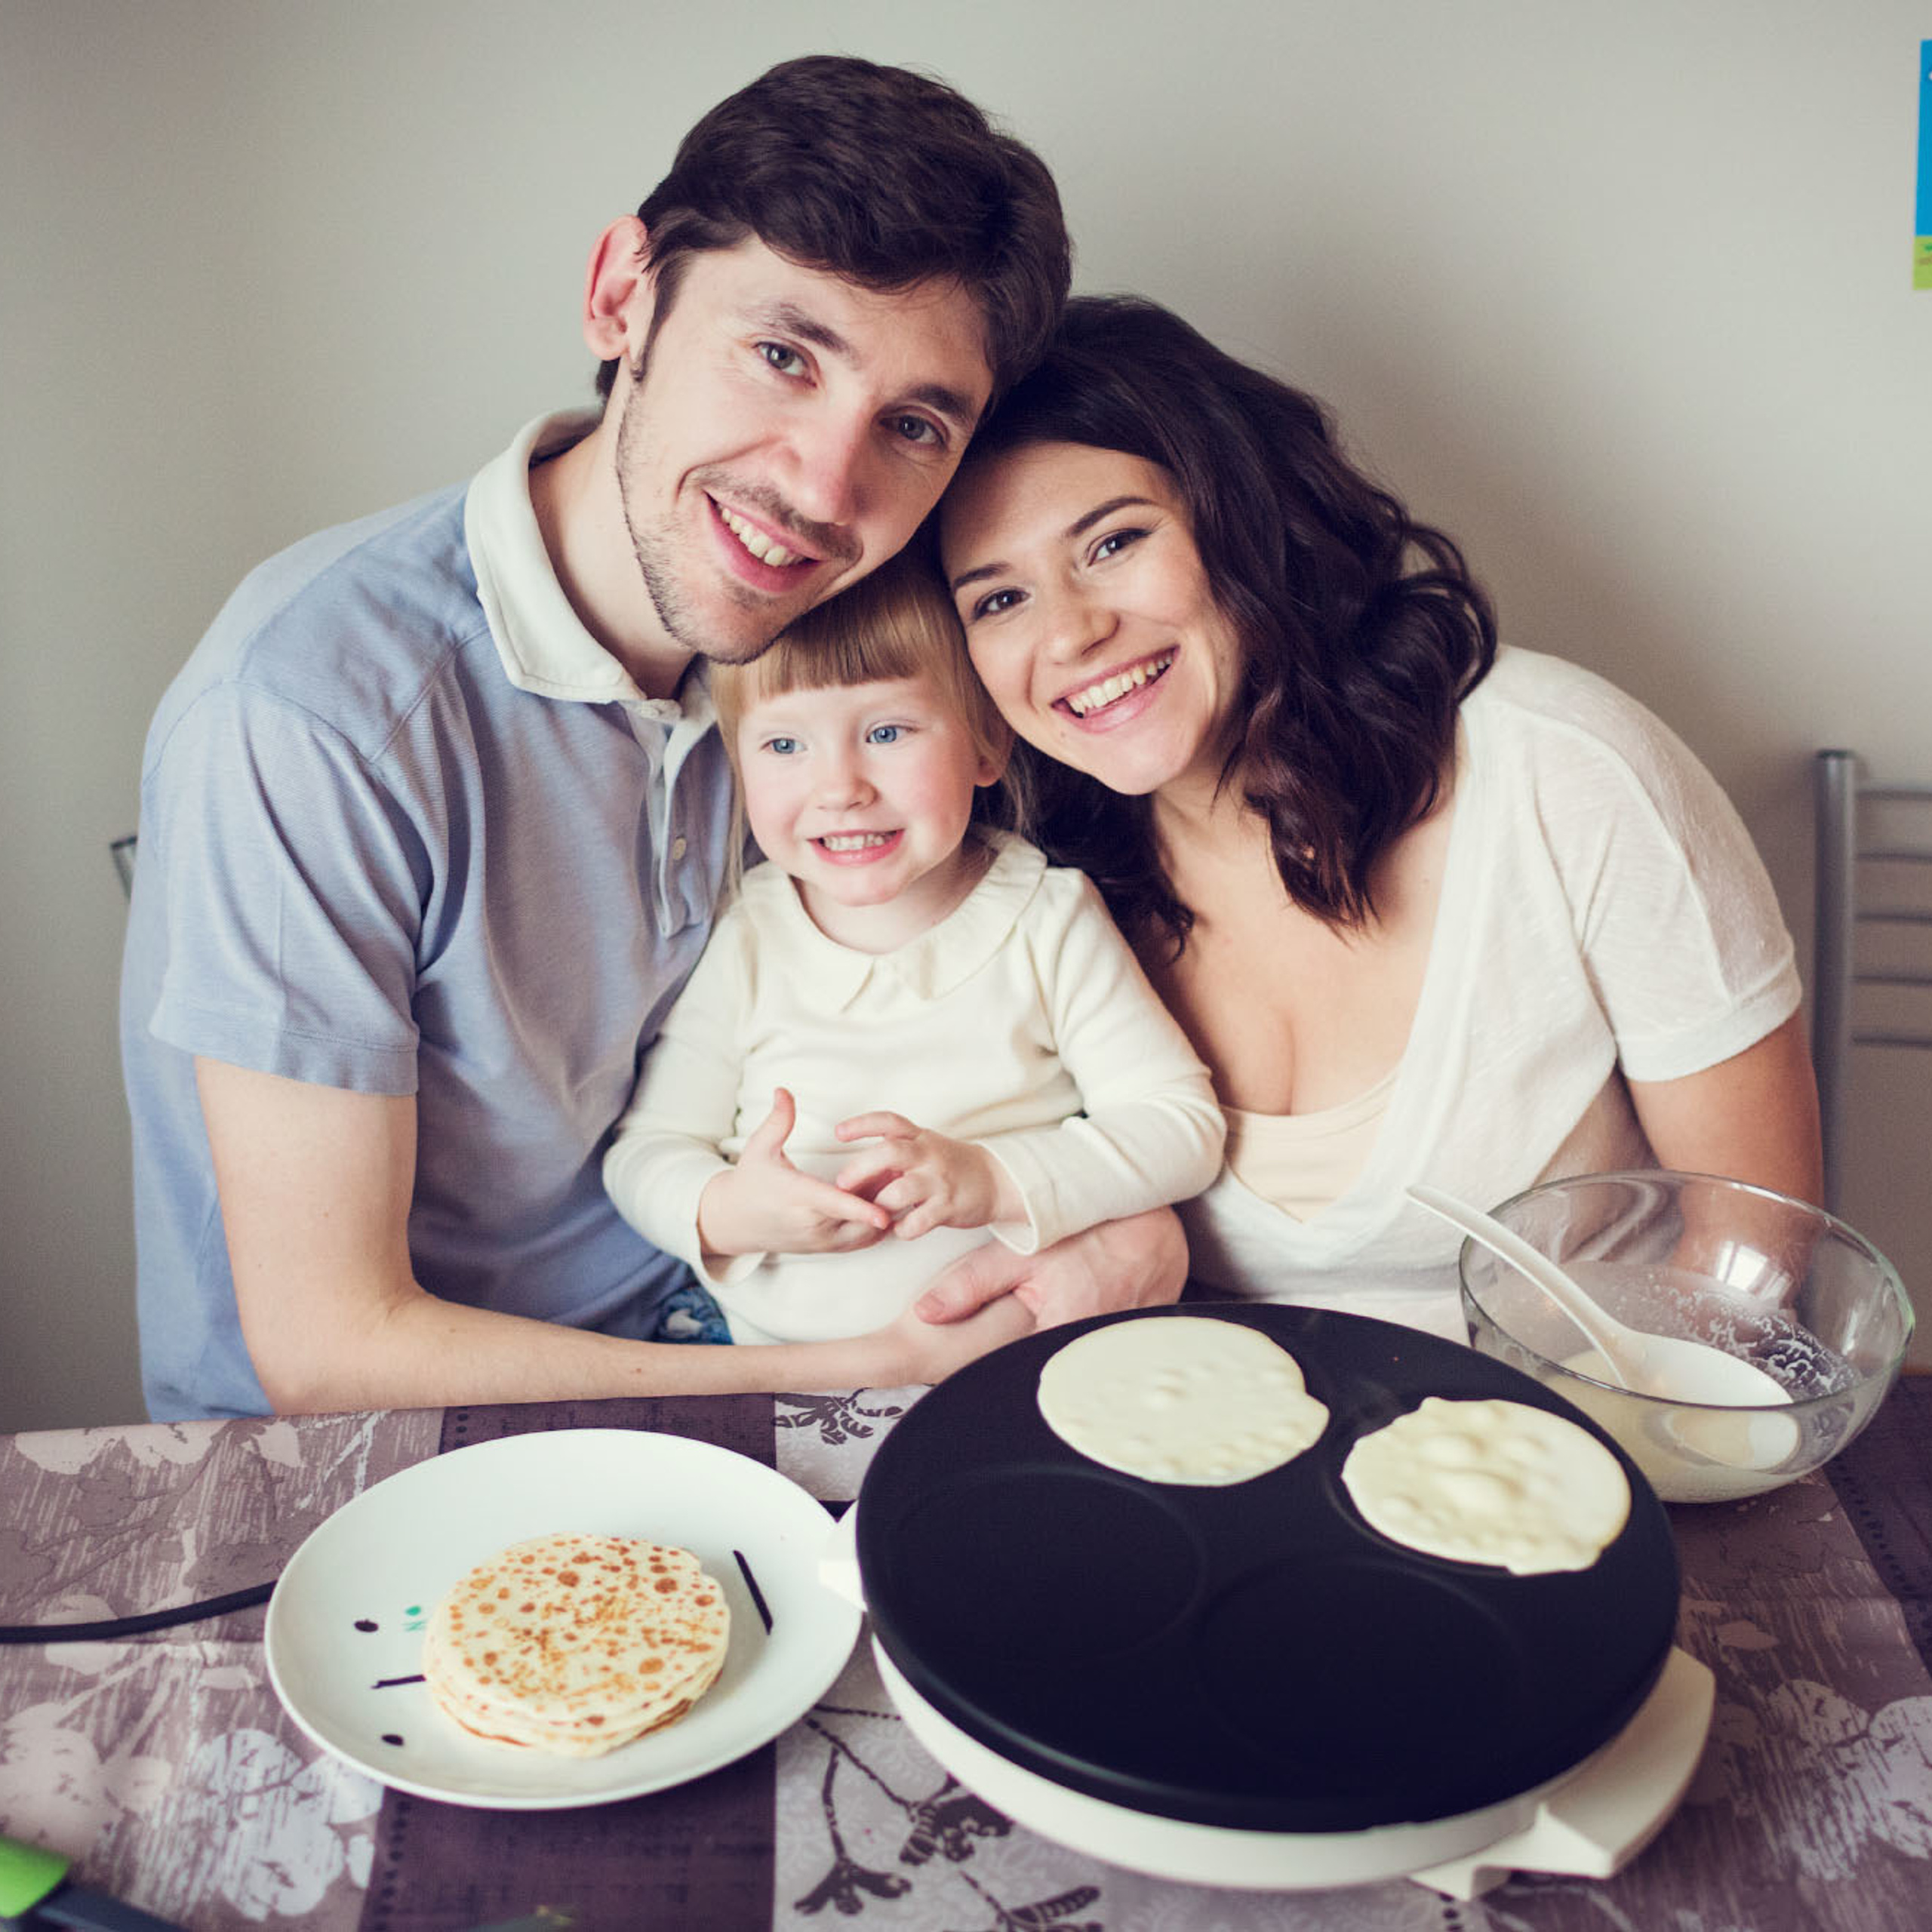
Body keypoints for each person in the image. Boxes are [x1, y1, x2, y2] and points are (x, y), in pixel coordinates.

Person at [119, 59, 1187, 1424]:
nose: (821, 486)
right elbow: (331, 1348)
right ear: (624, 295)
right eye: (783, 355)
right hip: (376, 1443)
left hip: (712, 1317)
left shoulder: (830, 653)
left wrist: (1108, 1232)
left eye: (911, 426)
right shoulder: (314, 710)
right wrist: (852, 1370)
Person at [935, 294, 1823, 1340]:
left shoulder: (1566, 770)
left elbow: (1753, 1246)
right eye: (998, 600)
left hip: (1588, 1441)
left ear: (1243, 517)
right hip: (1210, 1444)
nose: (1074, 634)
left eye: (1114, 541)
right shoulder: (1020, 880)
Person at [601, 555, 1226, 1344]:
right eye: (785, 745)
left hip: (1003, 1352)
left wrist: (993, 1180)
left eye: (887, 731)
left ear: (983, 746)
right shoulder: (753, 933)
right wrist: (725, 1209)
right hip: (758, 1350)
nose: (840, 787)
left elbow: (1180, 1127)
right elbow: (646, 1152)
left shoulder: (1046, 919)